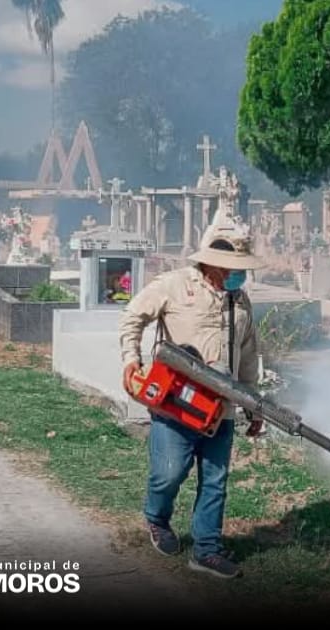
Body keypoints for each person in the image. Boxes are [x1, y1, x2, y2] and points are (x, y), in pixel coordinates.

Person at [117, 230, 265, 579]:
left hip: (222, 408)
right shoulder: (173, 286)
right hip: (176, 402)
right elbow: (132, 317)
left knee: (215, 480)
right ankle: (157, 518)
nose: (237, 274)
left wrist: (253, 404)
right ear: (212, 264)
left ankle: (207, 550)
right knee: (169, 473)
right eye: (231, 267)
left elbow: (248, 353)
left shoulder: (240, 301)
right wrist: (130, 360)